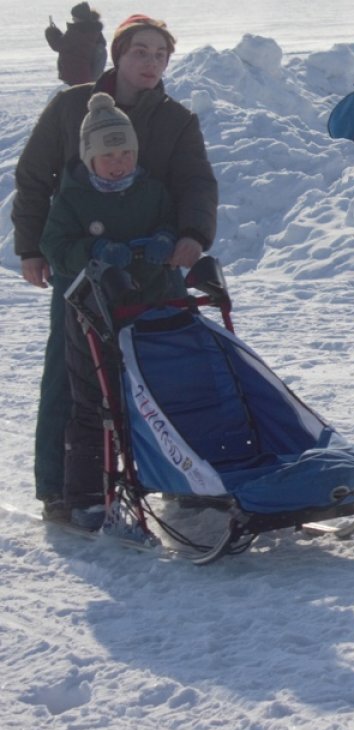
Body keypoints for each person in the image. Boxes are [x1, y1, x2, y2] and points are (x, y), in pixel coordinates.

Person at [12, 14, 218, 523]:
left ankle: (178, 474)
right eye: (140, 52)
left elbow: (197, 183)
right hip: (83, 268)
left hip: (152, 267)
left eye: (160, 55)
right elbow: (35, 178)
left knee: (165, 369)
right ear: (119, 54)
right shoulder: (68, 106)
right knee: (73, 375)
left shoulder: (176, 119)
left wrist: (192, 235)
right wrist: (31, 248)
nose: (150, 63)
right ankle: (62, 488)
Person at [39, 93, 181, 539]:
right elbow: (55, 247)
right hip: (92, 317)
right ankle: (85, 497)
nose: (118, 163)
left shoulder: (152, 191)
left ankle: (178, 480)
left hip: (147, 308)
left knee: (162, 396)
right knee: (95, 406)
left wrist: (163, 237)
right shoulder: (73, 198)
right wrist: (93, 251)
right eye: (108, 155)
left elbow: (171, 221)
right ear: (89, 156)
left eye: (125, 154)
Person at [44, 3, 107, 86]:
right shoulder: (92, 31)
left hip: (75, 74)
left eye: (74, 17)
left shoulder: (77, 32)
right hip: (85, 73)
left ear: (80, 18)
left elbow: (59, 45)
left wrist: (51, 32)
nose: (73, 19)